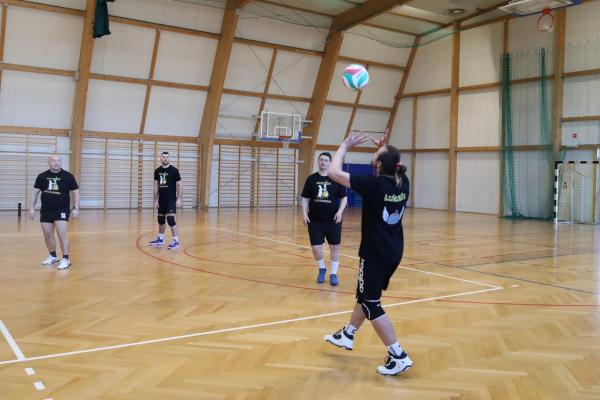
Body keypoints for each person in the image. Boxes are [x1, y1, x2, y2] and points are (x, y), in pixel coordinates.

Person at [323, 132, 412, 376]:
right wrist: (385, 148)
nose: (373, 155)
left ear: (379, 164)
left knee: (371, 303)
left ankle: (398, 354)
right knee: (365, 296)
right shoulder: (403, 181)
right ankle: (348, 333)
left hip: (374, 253)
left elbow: (333, 172)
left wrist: (344, 145)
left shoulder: (374, 185)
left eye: (376, 154)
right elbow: (393, 163)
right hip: (394, 250)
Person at [301, 152, 348, 286]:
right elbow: (305, 198)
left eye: (326, 160)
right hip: (315, 220)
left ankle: (333, 273)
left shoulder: (336, 179)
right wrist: (304, 213)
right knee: (316, 248)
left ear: (330, 163)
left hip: (333, 220)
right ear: (318, 161)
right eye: (321, 160)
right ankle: (322, 268)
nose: (323, 162)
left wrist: (340, 212)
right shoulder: (311, 179)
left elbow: (344, 197)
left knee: (335, 248)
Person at [28, 154, 80, 270]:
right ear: (49, 162)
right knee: (47, 235)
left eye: (58, 161)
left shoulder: (68, 176)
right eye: (53, 161)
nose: (56, 163)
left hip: (61, 210)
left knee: (62, 233)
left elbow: (76, 192)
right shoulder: (42, 176)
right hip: (46, 210)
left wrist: (76, 208)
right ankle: (53, 256)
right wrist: (31, 208)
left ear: (61, 162)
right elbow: (35, 192)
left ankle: (66, 259)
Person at [149, 151, 182, 249]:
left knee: (170, 219)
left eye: (167, 157)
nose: (166, 159)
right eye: (163, 157)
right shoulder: (157, 171)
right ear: (160, 158)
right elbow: (155, 186)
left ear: (169, 159)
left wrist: (179, 199)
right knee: (160, 219)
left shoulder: (174, 170)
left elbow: (180, 184)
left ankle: (176, 241)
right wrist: (155, 200)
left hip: (171, 199)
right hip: (161, 200)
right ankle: (160, 239)